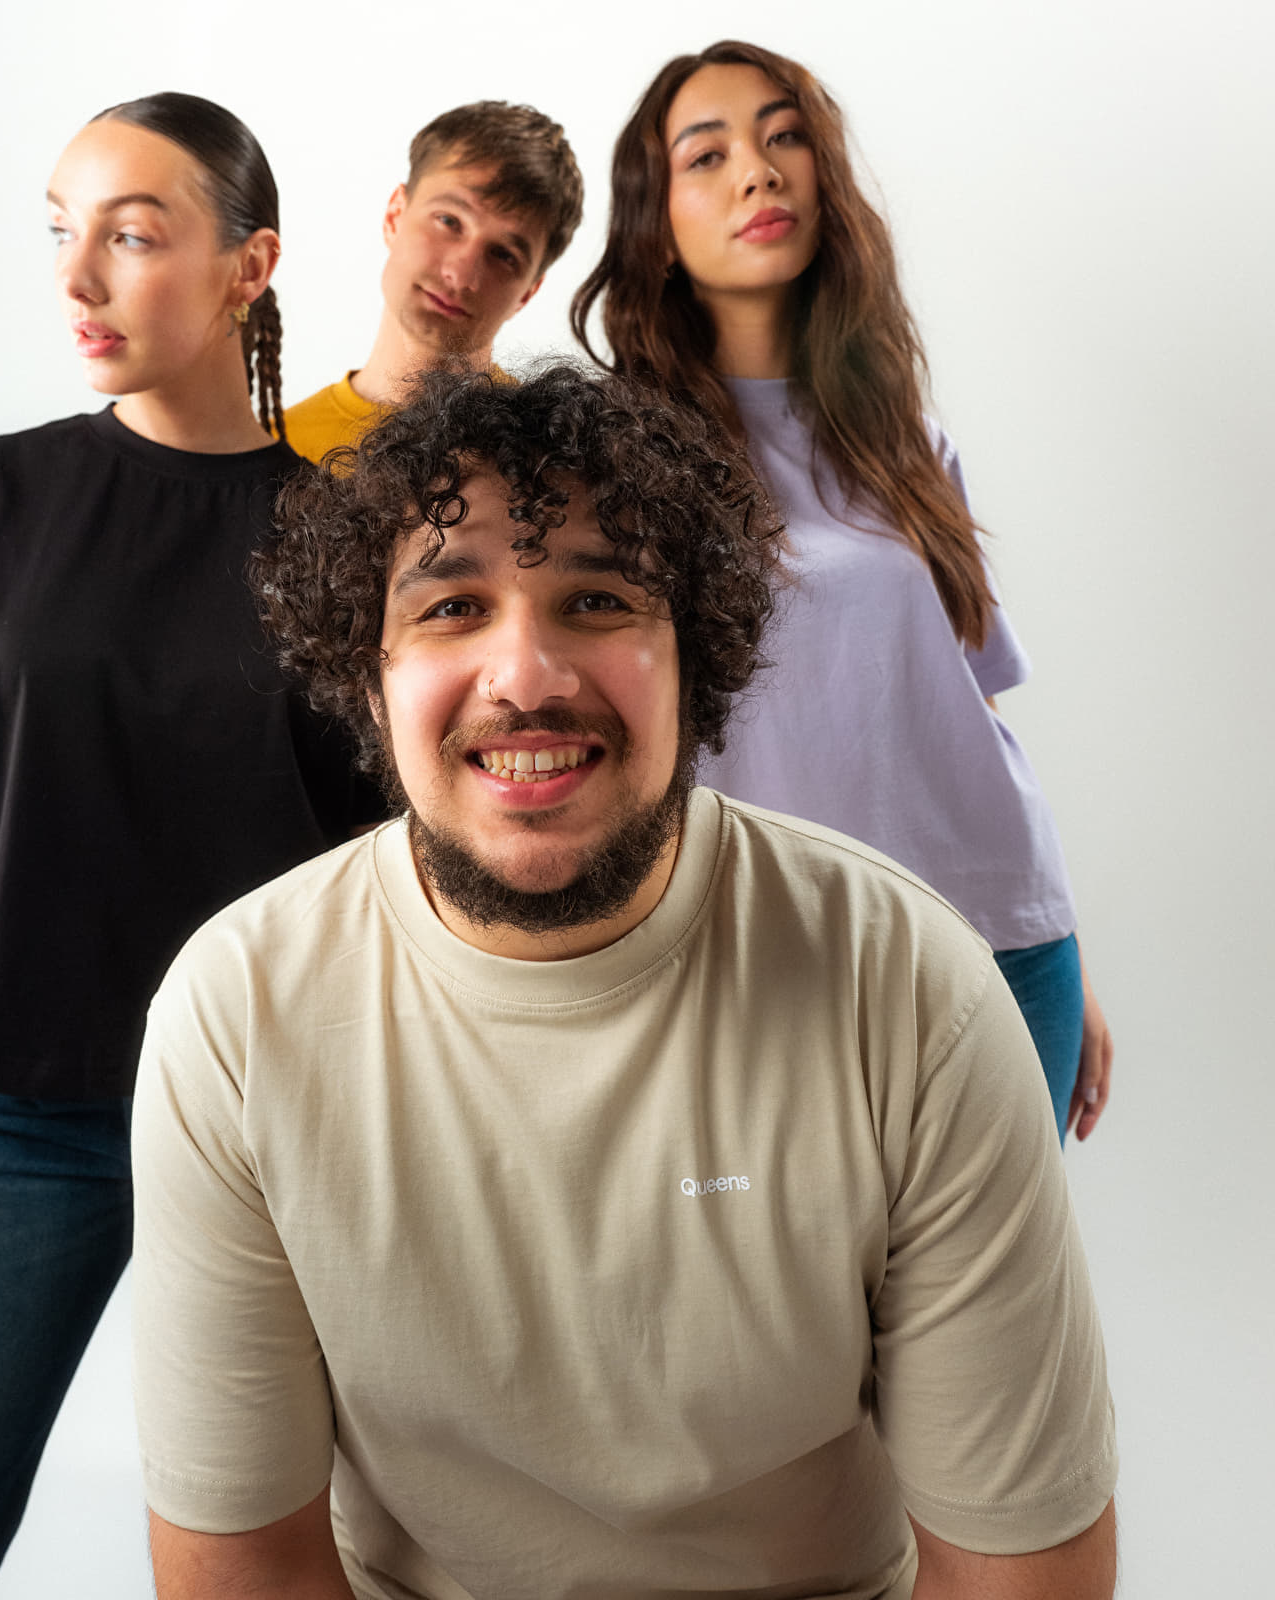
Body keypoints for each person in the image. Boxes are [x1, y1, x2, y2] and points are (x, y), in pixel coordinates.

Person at [132, 367, 1119, 1599]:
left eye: (597, 599)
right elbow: (247, 1570)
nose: (526, 675)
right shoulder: (236, 1015)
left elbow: (1020, 1571)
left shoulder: (914, 989)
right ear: (368, 676)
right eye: (452, 607)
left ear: (693, 656)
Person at [0, 93, 377, 1599]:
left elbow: (397, 867)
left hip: (293, 1125)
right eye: (64, 231)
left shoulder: (347, 541)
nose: (77, 275)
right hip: (27, 1116)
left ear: (251, 265)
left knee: (351, 1556)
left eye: (131, 235)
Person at [570, 41, 1113, 1144]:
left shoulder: (903, 436)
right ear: (654, 227)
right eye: (707, 155)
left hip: (1003, 941)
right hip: (771, 957)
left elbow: (970, 702)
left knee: (1005, 1263)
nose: (759, 172)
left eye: (785, 137)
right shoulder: (619, 459)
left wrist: (1065, 948)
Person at [281, 100, 583, 462]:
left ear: (527, 294)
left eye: (503, 255)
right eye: (449, 221)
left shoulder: (555, 459)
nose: (461, 275)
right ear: (395, 215)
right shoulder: (273, 452)